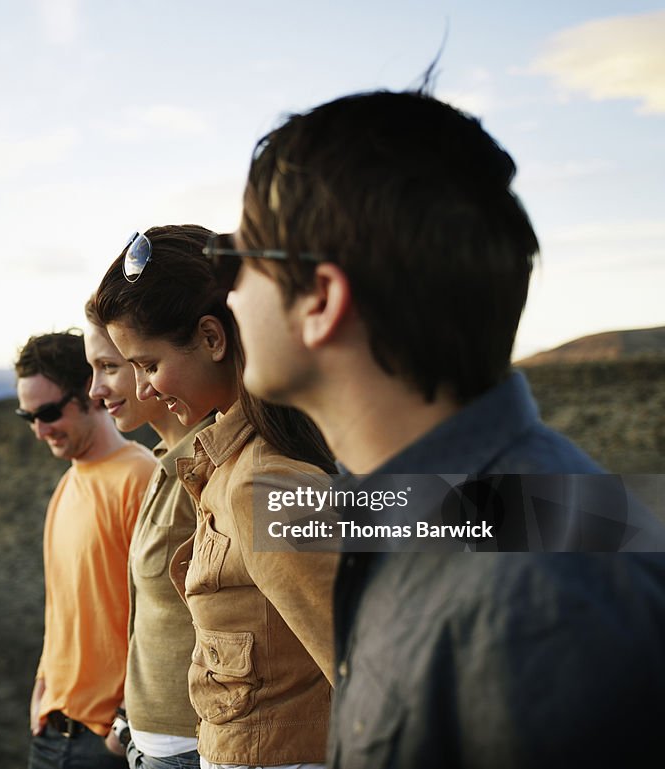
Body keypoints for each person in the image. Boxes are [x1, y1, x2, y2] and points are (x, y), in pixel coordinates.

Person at [218, 87, 665, 767]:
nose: (228, 290)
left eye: (242, 256)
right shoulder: (418, 510)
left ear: (322, 299)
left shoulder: (543, 600)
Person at [92, 224, 342, 769]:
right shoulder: (225, 464)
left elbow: (364, 672)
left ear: (212, 337)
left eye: (149, 365)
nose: (143, 391)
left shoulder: (261, 481)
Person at [84, 281, 215, 769]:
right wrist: (127, 720)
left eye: (111, 367)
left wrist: (470, 516)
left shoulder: (219, 468)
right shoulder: (164, 463)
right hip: (152, 745)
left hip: (193, 747)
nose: (95, 390)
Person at [16, 331, 157, 769]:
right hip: (51, 730)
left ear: (91, 395)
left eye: (49, 412)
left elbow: (169, 612)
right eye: (28, 417)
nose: (40, 430)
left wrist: (124, 725)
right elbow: (63, 605)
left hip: (103, 745)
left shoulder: (140, 478)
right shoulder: (67, 484)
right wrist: (43, 684)